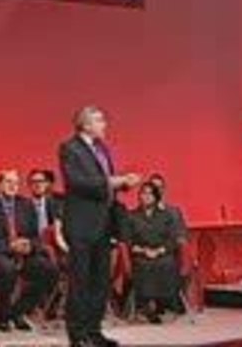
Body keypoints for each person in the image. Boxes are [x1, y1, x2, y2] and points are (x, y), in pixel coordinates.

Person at [59, 105, 140, 347]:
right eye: (100, 120)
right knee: (80, 280)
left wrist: (124, 184)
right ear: (85, 124)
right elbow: (78, 182)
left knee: (100, 280)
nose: (104, 124)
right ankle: (77, 334)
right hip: (82, 223)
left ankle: (94, 330)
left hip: (104, 223)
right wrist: (115, 182)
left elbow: (106, 184)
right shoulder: (70, 148)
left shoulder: (101, 149)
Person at [0, 170, 58, 332]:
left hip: (24, 253)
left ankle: (17, 311)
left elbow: (35, 236)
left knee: (50, 270)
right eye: (8, 182)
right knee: (7, 269)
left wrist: (29, 245)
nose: (13, 186)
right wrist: (10, 246)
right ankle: (2, 316)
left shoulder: (25, 204)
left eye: (16, 183)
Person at [125, 181, 182, 323]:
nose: (146, 196)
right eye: (143, 193)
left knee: (166, 263)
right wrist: (144, 251)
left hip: (162, 252)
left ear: (156, 196)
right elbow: (128, 241)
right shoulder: (132, 216)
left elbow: (173, 239)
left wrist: (159, 251)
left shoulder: (166, 215)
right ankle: (145, 307)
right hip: (141, 253)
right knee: (144, 265)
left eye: (149, 193)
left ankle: (163, 305)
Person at [148, 173, 188, 243]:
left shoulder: (175, 213)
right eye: (153, 187)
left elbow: (182, 236)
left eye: (159, 187)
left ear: (163, 189)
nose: (156, 190)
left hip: (170, 252)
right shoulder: (140, 214)